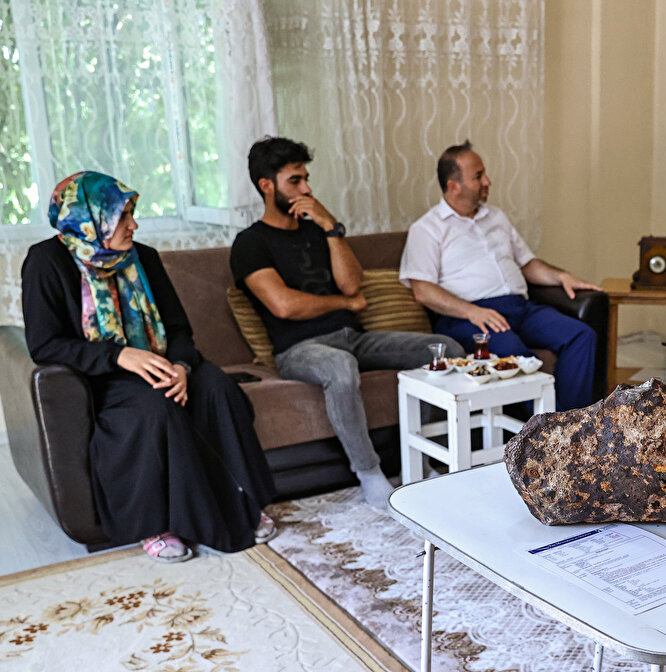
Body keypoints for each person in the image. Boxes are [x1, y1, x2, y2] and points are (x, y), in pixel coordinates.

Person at [22, 172, 276, 563]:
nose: (134, 225)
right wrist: (118, 355)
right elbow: (45, 344)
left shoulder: (145, 258)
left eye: (131, 215)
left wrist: (180, 366)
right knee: (155, 407)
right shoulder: (46, 262)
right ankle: (156, 523)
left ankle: (240, 500)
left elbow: (177, 328)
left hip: (164, 361)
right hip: (104, 374)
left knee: (219, 389)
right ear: (91, 219)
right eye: (122, 217)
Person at [231, 137, 462, 508]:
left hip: (353, 337)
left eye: (306, 178)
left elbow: (353, 283)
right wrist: (346, 303)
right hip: (299, 349)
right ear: (266, 185)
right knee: (340, 366)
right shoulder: (249, 243)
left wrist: (329, 226)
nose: (306, 188)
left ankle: (423, 460)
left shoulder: (316, 231)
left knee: (446, 349)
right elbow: (284, 306)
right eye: (295, 180)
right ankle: (370, 474)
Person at [400, 140, 602, 410]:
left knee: (580, 335)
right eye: (478, 176)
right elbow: (422, 290)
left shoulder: (496, 217)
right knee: (513, 353)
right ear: (453, 186)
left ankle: (572, 427)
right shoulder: (427, 229)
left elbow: (527, 264)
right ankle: (548, 440)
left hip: (520, 307)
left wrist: (561, 276)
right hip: (470, 317)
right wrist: (471, 311)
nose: (488, 181)